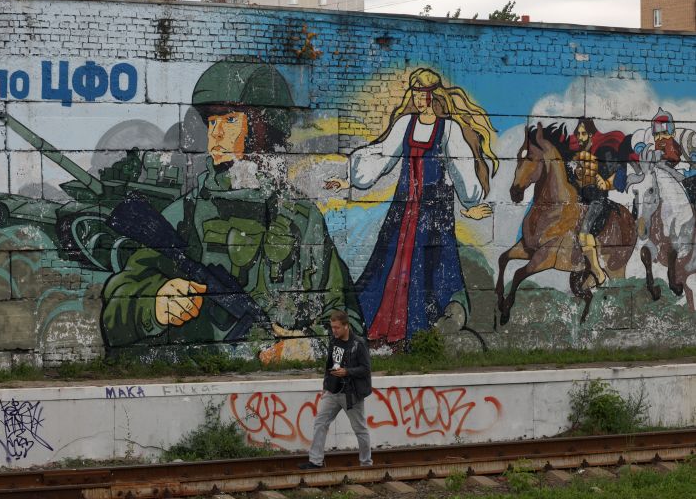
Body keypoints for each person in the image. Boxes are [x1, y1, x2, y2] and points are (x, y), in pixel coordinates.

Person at [101, 60, 363, 361]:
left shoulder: (302, 218)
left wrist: (309, 348)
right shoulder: (186, 215)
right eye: (212, 123)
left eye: (229, 121)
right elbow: (117, 306)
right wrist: (154, 305)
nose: (216, 135)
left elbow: (347, 319)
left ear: (262, 128)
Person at [326, 68, 497, 348]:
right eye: (416, 93)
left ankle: (417, 335)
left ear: (435, 95)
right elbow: (383, 156)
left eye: (425, 94)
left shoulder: (449, 128)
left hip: (434, 215)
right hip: (403, 211)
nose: (420, 99)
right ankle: (383, 331)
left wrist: (471, 205)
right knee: (389, 267)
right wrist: (349, 180)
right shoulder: (405, 123)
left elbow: (461, 168)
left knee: (428, 271)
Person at [299, 309, 372, 469]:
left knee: (360, 429)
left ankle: (366, 464)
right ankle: (315, 461)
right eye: (332, 327)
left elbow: (366, 369)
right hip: (333, 391)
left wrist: (347, 372)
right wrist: (325, 386)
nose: (334, 330)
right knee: (320, 423)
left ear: (346, 326)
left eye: (337, 327)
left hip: (351, 394)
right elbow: (329, 365)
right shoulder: (334, 341)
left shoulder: (358, 344)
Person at [567, 117, 632, 288]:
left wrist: (606, 182)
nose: (580, 137)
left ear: (590, 134)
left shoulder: (603, 152)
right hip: (581, 200)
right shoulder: (577, 157)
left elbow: (618, 171)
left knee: (584, 235)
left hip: (598, 201)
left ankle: (598, 273)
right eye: (577, 134)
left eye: (582, 134)